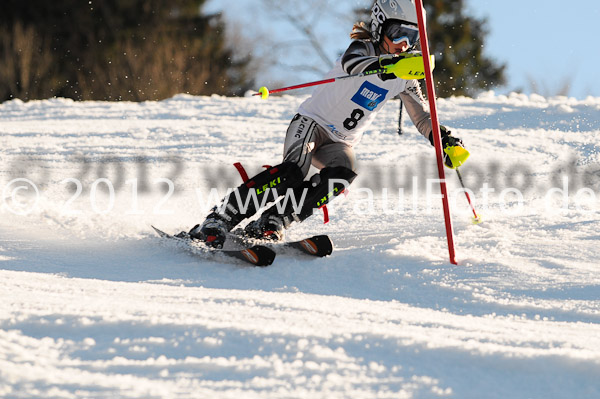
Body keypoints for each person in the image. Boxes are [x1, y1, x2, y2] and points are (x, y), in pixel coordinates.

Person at [187, 0, 468, 248]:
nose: (403, 43)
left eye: (411, 36)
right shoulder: (363, 48)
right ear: (381, 26)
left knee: (343, 173)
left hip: (339, 142)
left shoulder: (406, 75)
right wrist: (390, 67)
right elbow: (353, 65)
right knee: (294, 171)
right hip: (312, 123)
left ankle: (273, 221)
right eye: (398, 33)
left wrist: (442, 139)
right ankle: (220, 218)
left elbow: (422, 116)